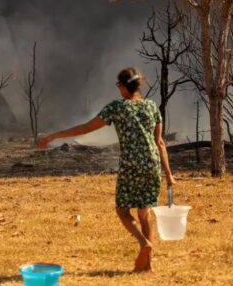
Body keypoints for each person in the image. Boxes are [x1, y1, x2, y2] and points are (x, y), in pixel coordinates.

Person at [37, 67, 175, 272]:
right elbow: (160, 142)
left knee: (122, 211)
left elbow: (86, 128)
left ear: (123, 87)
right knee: (145, 213)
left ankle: (143, 243)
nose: (118, 88)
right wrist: (169, 175)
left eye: (118, 85)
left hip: (131, 165)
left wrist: (54, 136)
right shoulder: (152, 107)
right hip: (152, 164)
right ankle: (147, 266)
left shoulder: (116, 107)